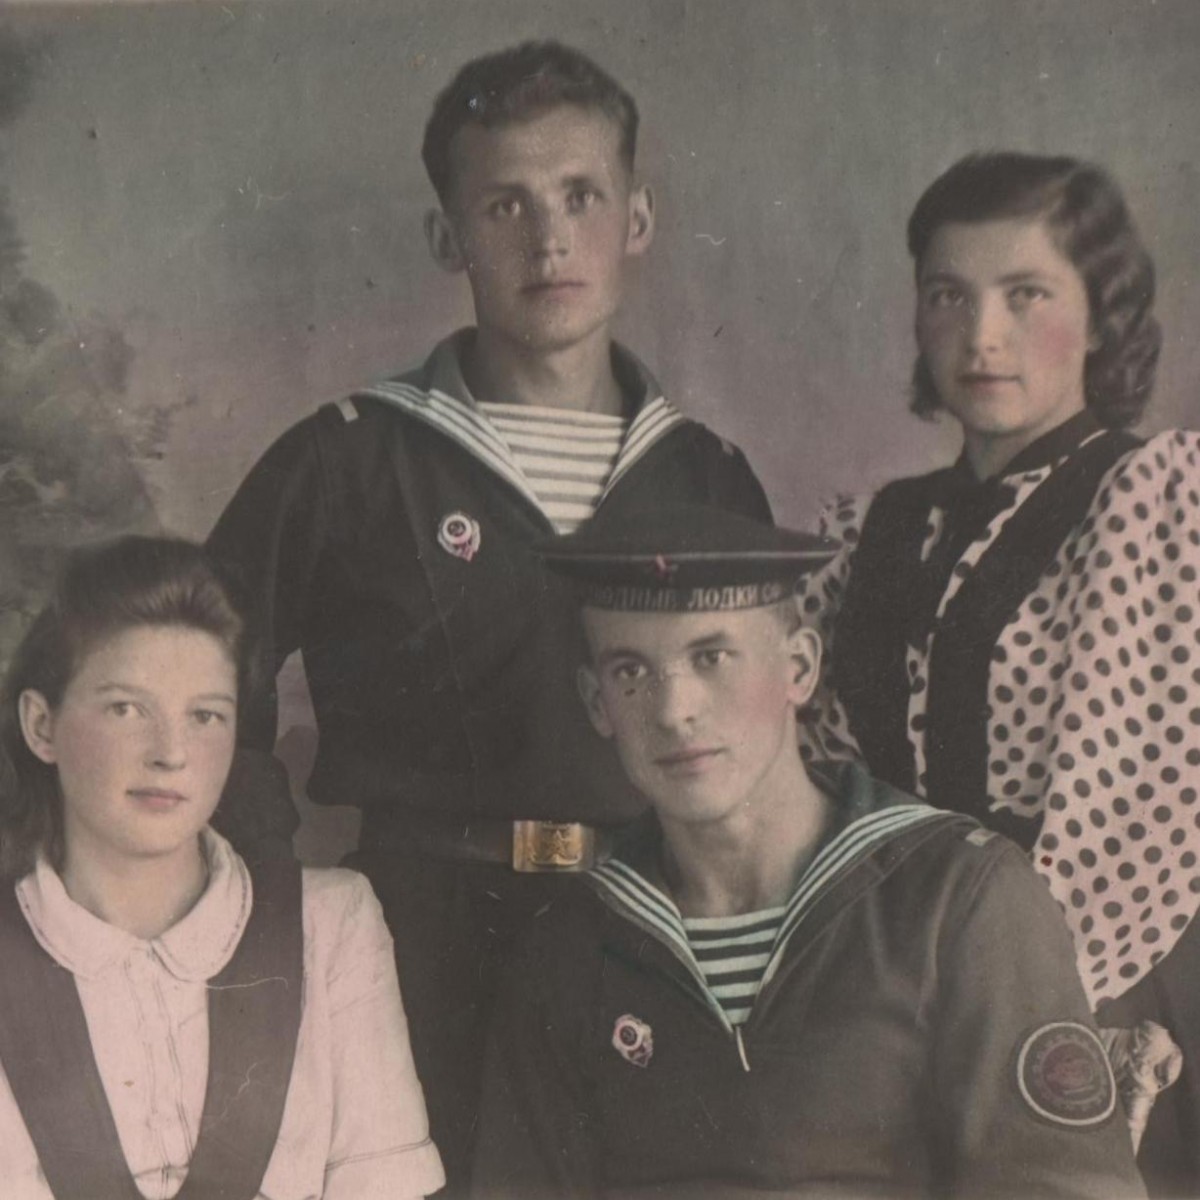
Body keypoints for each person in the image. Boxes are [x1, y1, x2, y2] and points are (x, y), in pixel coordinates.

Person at [206, 38, 769, 1194]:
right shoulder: (353, 459)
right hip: (418, 936)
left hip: (652, 928)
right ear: (447, 237)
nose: (549, 238)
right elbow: (196, 668)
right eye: (504, 204)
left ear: (640, 219)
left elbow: (770, 745)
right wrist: (267, 893)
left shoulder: (708, 479)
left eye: (581, 197)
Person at [470, 501, 1148, 1199]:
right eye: (632, 673)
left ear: (799, 667)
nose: (674, 711)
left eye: (711, 657)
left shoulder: (959, 898)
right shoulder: (568, 946)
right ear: (595, 704)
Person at [795, 152, 1200, 1195]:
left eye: (1026, 296)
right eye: (949, 295)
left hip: (1094, 979)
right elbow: (817, 770)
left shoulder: (1151, 499)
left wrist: (1007, 996)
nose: (981, 336)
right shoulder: (878, 526)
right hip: (884, 977)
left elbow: (1138, 802)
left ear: (1103, 316)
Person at [0, 537, 444, 1200]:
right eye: (127, 709)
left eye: (206, 715)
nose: (171, 753)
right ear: (41, 726)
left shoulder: (329, 925)